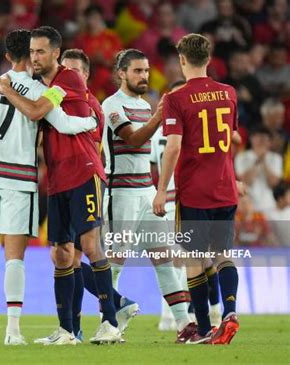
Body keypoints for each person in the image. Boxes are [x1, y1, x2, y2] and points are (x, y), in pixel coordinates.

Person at [0, 29, 98, 346]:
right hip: (19, 180)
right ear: (32, 54)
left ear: (6, 56)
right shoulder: (41, 90)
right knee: (15, 259)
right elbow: (65, 124)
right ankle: (12, 332)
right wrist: (92, 122)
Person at [0, 26, 121, 345]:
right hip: (58, 177)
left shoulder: (68, 80)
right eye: (32, 51)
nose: (35, 57)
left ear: (55, 53)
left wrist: (5, 89)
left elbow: (35, 113)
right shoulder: (40, 85)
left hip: (84, 171)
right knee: (61, 254)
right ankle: (67, 330)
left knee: (89, 246)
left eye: (41, 51)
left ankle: (110, 322)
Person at [101, 49, 194, 344]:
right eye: (137, 71)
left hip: (146, 191)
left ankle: (183, 325)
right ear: (122, 74)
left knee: (164, 259)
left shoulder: (144, 105)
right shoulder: (112, 105)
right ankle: (108, 323)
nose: (144, 76)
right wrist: (159, 114)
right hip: (121, 194)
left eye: (146, 70)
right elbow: (134, 138)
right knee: (115, 262)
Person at [153, 33, 240, 345]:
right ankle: (229, 311)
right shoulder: (229, 93)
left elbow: (173, 146)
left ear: (182, 60)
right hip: (225, 189)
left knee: (194, 260)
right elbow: (231, 139)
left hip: (194, 191)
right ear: (209, 58)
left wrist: (162, 189)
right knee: (223, 256)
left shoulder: (176, 99)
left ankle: (203, 329)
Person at [59, 48, 139, 341]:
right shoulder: (65, 102)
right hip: (68, 182)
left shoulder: (90, 105)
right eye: (63, 71)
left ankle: (112, 310)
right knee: (71, 256)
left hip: (87, 181)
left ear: (87, 75)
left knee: (84, 251)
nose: (67, 77)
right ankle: (81, 325)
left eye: (74, 71)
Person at [150, 80, 222, 331]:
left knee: (187, 260)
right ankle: (180, 316)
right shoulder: (171, 132)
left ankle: (195, 313)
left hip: (179, 199)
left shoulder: (176, 131)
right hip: (175, 202)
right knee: (181, 259)